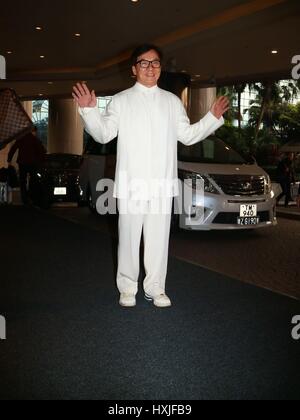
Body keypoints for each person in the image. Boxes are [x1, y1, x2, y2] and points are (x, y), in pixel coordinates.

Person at [72, 44, 229, 308]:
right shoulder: (121, 100)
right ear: (134, 69)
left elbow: (188, 135)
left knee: (158, 241)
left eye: (155, 63)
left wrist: (211, 118)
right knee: (129, 238)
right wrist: (89, 111)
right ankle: (127, 287)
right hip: (132, 184)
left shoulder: (171, 101)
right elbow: (103, 135)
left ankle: (156, 288)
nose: (150, 67)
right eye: (144, 63)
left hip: (161, 184)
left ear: (160, 68)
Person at [7, 126, 46, 205]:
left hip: (22, 163)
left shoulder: (21, 138)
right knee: (33, 179)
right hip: (32, 163)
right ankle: (32, 195)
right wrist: (41, 161)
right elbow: (42, 151)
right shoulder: (35, 139)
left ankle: (24, 198)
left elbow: (13, 148)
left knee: (23, 181)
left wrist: (9, 159)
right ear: (33, 131)